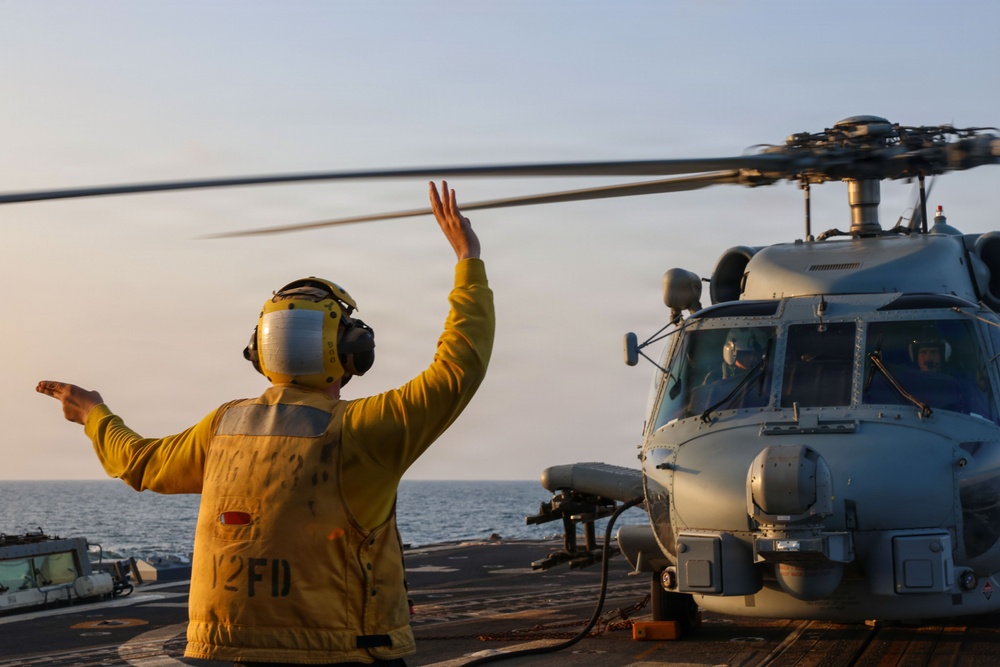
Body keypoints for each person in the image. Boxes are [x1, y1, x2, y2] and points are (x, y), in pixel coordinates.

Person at [36, 181, 495, 667]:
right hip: (342, 652)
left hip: (233, 650)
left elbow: (140, 462)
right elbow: (458, 367)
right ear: (353, 352)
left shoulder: (224, 426)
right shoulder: (362, 430)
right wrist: (467, 259)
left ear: (259, 353)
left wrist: (93, 414)